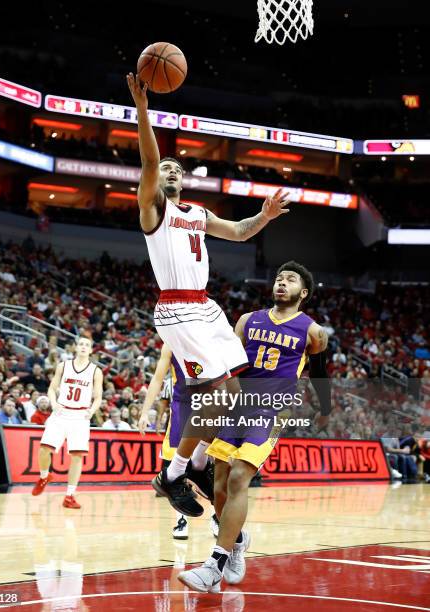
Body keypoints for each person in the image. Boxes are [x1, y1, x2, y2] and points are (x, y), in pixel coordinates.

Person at [127, 73, 291, 517]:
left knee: (233, 389)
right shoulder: (153, 209)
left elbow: (238, 232)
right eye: (166, 169)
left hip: (206, 305)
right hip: (178, 309)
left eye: (177, 169)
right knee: (217, 391)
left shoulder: (197, 212)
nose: (171, 171)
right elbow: (148, 161)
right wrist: (143, 111)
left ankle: (196, 464)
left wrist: (264, 215)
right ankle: (174, 473)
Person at [178, 261, 332, 592]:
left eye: (290, 280)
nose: (282, 283)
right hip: (237, 405)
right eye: (279, 278)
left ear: (302, 293)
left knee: (238, 478)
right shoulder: (248, 320)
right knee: (218, 486)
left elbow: (319, 372)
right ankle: (236, 542)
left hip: (273, 409)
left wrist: (325, 407)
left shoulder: (312, 331)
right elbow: (226, 364)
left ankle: (213, 565)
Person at [140, 344, 219, 541]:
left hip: (212, 409)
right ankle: (181, 521)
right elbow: (158, 379)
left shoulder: (215, 339)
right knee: (177, 475)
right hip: (183, 411)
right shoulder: (171, 344)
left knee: (213, 470)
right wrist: (144, 411)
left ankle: (217, 517)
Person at [31, 336, 103, 509]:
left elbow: (98, 397)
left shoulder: (95, 371)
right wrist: (54, 403)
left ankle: (69, 496)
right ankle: (44, 476)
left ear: (91, 350)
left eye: (87, 345)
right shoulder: (63, 366)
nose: (84, 347)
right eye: (81, 344)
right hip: (61, 412)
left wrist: (91, 411)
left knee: (77, 457)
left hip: (80, 417)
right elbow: (51, 388)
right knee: (44, 449)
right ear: (75, 348)